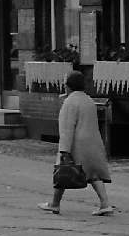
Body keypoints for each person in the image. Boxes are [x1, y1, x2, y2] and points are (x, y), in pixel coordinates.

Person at [41, 71, 114, 216]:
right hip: (92, 142)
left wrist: (64, 150)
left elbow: (67, 128)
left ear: (68, 86)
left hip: (76, 144)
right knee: (94, 174)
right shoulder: (88, 100)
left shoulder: (70, 102)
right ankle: (105, 203)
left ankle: (55, 204)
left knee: (63, 172)